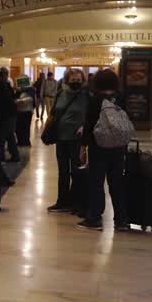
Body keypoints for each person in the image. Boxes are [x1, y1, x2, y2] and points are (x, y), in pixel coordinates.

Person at [78, 69, 129, 231]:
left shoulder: (95, 100)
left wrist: (83, 146)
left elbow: (89, 124)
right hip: (119, 147)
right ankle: (121, 220)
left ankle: (94, 218)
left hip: (98, 146)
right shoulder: (121, 98)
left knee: (97, 182)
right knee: (117, 183)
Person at [46, 68, 90, 216]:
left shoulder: (86, 96)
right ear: (67, 80)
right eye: (73, 80)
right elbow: (54, 112)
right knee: (62, 171)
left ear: (82, 81)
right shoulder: (60, 94)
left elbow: (91, 115)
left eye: (78, 80)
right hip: (61, 138)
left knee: (76, 171)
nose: (76, 83)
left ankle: (76, 202)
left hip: (76, 140)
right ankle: (62, 201)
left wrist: (84, 127)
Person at [0, 68, 20, 162]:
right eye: (6, 75)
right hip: (8, 113)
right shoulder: (3, 85)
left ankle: (3, 156)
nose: (7, 77)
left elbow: (6, 99)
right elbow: (10, 98)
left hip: (6, 114)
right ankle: (13, 155)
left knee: (4, 136)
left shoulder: (2, 84)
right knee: (8, 135)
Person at [14, 75, 35, 147]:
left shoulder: (31, 89)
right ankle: (20, 141)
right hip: (19, 111)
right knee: (18, 128)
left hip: (27, 111)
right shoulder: (18, 90)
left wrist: (21, 101)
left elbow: (31, 98)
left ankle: (26, 142)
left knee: (25, 127)